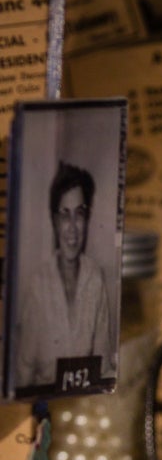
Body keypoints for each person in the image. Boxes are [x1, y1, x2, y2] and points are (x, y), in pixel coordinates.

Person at [12, 161, 116, 394]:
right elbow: (24, 372)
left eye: (78, 215)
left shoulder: (95, 278)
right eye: (64, 215)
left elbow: (103, 365)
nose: (72, 228)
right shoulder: (39, 285)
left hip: (81, 409)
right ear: (54, 221)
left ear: (87, 219)